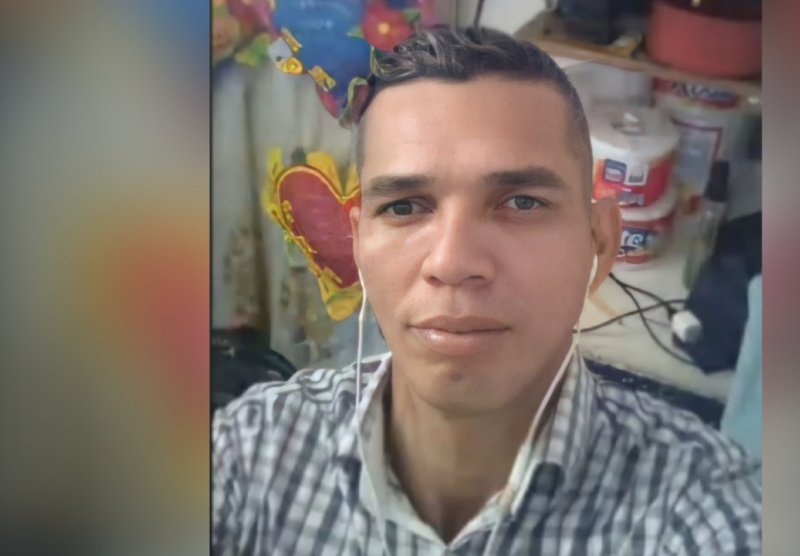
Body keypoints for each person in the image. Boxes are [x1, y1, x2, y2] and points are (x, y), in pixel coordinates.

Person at [212, 26, 761, 555]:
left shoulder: (703, 507)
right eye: (404, 207)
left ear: (599, 242)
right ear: (358, 244)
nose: (452, 263)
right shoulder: (253, 448)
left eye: (521, 203)